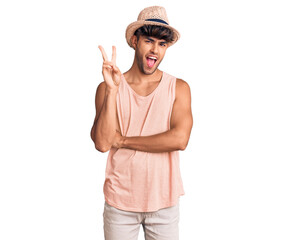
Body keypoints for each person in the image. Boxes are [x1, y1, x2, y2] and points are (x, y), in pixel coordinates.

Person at [90, 6, 193, 240]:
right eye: (149, 41)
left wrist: (124, 140)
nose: (155, 49)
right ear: (135, 41)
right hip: (120, 202)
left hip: (163, 203)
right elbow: (103, 143)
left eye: (162, 44)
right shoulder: (107, 88)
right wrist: (113, 91)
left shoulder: (179, 88)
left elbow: (180, 139)